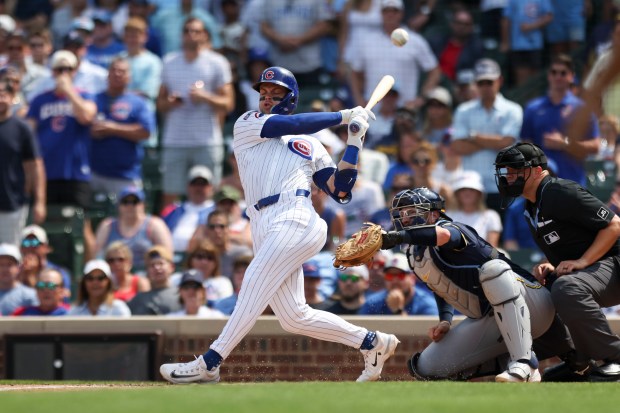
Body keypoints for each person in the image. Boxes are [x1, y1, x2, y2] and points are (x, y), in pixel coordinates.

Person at [159, 66, 399, 384]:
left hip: (296, 216)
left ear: (291, 97)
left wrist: (355, 140)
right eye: (264, 94)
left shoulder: (311, 145)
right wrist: (343, 116)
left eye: (276, 94)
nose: (268, 99)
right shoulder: (248, 124)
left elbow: (340, 189)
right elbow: (292, 123)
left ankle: (210, 362)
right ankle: (373, 343)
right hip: (261, 222)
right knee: (293, 316)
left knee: (254, 279)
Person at [379, 187, 570, 382]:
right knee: (427, 367)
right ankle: (509, 361)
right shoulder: (415, 253)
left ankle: (525, 362)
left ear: (434, 214)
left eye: (411, 212)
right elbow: (439, 285)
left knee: (494, 270)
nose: (405, 218)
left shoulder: (453, 228)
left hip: (533, 303)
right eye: (402, 214)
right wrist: (445, 320)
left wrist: (396, 237)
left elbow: (443, 236)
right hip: (492, 317)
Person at [494, 142, 620, 381]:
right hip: (598, 270)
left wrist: (582, 261)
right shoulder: (530, 206)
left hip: (615, 263)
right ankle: (580, 361)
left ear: (537, 170)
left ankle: (615, 358)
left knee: (567, 287)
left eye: (515, 170)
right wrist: (552, 264)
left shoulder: (560, 191)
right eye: (506, 171)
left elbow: (614, 225)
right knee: (532, 293)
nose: (509, 177)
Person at [26, 49, 98, 259]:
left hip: (75, 173)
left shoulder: (85, 95)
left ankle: (88, 270)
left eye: (68, 69)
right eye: (60, 69)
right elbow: (27, 132)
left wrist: (69, 92)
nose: (64, 73)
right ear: (52, 71)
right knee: (41, 227)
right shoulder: (40, 100)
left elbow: (86, 116)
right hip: (45, 173)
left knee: (82, 225)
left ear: (75, 71)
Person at [157, 17, 234, 206]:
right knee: (171, 195)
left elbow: (228, 103)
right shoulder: (169, 61)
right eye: (187, 31)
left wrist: (204, 97)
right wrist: (170, 102)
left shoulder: (217, 62)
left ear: (205, 35)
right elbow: (160, 104)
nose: (190, 35)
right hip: (175, 140)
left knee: (210, 194)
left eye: (196, 31)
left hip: (206, 140)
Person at [450, 58, 523, 212]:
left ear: (499, 81)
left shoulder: (512, 109)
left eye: (489, 82)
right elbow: (458, 146)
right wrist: (494, 141)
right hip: (472, 186)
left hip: (503, 186)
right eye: (480, 83)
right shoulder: (463, 110)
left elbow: (507, 142)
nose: (485, 87)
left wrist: (473, 137)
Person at [521, 54, 600, 186]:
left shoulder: (581, 109)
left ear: (571, 76)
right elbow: (525, 143)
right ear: (548, 75)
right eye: (554, 72)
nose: (558, 77)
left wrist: (565, 143)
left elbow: (596, 146)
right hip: (541, 185)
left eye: (563, 73)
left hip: (573, 183)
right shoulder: (532, 108)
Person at [349, 0, 440, 110]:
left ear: (402, 13)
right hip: (373, 109)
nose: (390, 14)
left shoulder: (415, 40)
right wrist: (359, 99)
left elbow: (434, 71)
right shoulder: (366, 41)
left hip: (405, 110)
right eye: (386, 11)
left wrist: (422, 99)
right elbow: (354, 72)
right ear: (381, 13)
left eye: (395, 11)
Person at [90, 56, 155, 196]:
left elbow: (146, 131)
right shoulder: (93, 99)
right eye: (114, 70)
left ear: (129, 77)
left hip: (126, 175)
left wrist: (113, 128)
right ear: (107, 74)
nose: (117, 74)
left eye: (122, 71)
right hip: (93, 172)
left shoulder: (138, 102)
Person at [0, 79, 45, 245]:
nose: (0, 99)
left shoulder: (22, 128)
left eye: (4, 95)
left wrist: (39, 202)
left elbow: (35, 166)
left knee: (10, 255)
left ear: (13, 98)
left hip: (13, 204)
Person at [94, 186, 173, 271]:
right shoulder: (107, 225)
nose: (130, 205)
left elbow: (167, 256)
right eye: (125, 202)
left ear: (143, 205)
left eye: (135, 202)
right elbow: (97, 257)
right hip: (114, 276)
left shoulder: (155, 224)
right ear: (119, 205)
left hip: (146, 275)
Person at [359, 253, 438, 316]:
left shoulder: (427, 304)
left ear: (412, 278)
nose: (394, 280)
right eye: (389, 276)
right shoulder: (372, 303)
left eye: (400, 275)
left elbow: (421, 335)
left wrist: (398, 311)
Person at [162, 165, 216, 253]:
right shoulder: (174, 210)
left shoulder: (217, 210)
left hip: (204, 256)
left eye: (203, 184)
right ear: (188, 186)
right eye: (194, 184)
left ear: (211, 187)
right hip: (170, 254)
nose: (198, 188)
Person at [187, 209, 252, 278]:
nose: (217, 231)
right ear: (207, 230)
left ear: (228, 229)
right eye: (212, 227)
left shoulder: (242, 253)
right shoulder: (201, 256)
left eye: (221, 226)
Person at [447, 171, 502, 247]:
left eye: (472, 190)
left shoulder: (491, 216)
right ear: (457, 194)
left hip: (484, 258)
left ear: (479, 194)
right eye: (463, 190)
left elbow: (492, 247)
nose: (467, 193)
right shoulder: (448, 215)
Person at [19, 224, 72, 301]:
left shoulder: (59, 273)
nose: (30, 247)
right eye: (26, 243)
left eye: (35, 242)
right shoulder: (14, 272)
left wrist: (31, 276)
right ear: (21, 248)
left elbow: (62, 302)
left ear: (46, 247)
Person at [171, 240, 233, 305]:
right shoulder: (176, 279)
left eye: (210, 258)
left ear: (216, 263)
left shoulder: (222, 282)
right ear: (191, 259)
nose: (204, 262)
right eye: (199, 257)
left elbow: (225, 307)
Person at [128, 245, 182, 315]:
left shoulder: (181, 296)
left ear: (171, 267)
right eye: (152, 265)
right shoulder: (138, 300)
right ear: (147, 271)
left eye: (161, 263)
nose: (156, 268)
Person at [0, 243, 38, 316]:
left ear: (19, 267)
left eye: (9, 264)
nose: (5, 269)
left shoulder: (30, 296)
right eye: (1, 264)